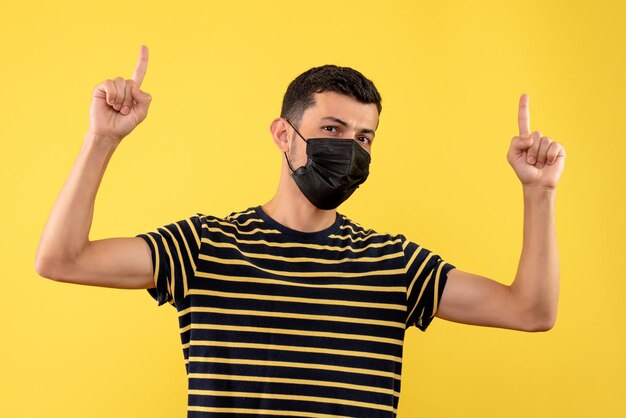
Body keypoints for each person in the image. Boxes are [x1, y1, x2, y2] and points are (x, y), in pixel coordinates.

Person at [35, 45, 566, 417]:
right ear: (282, 134)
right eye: (331, 130)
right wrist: (101, 139)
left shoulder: (392, 264)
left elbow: (531, 311)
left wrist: (539, 193)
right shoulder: (204, 247)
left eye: (364, 138)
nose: (349, 149)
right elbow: (62, 260)